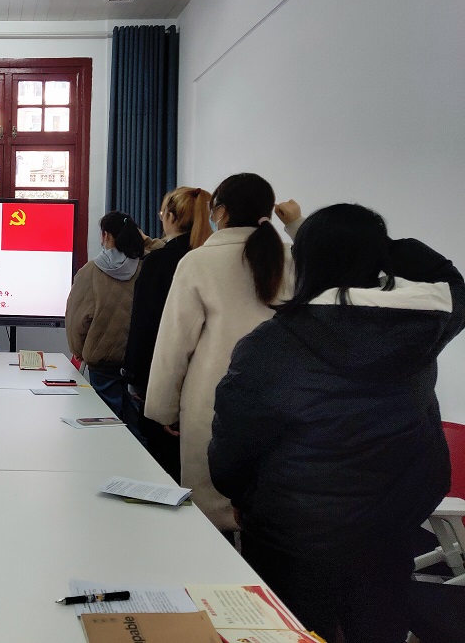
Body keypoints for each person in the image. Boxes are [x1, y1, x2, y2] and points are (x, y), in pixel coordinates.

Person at [209, 204, 463, 642]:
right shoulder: (421, 327)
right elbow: (450, 280)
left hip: (292, 533)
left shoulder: (271, 343)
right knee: (378, 626)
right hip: (390, 524)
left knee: (295, 630)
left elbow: (234, 446)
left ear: (303, 262)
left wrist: (239, 497)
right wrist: (382, 248)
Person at [144, 173, 298, 532]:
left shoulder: (198, 262)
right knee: (268, 504)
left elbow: (175, 343)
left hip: (211, 398)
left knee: (211, 510)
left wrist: (163, 407)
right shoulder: (289, 259)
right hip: (282, 396)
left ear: (221, 211)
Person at [122, 186, 212, 479]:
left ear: (171, 217)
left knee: (163, 468)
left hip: (163, 377)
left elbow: (145, 325)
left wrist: (134, 378)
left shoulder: (160, 262)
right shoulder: (210, 259)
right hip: (209, 380)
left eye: (163, 213)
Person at [65, 211, 161, 434]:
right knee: (135, 420)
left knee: (107, 421)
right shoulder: (147, 266)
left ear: (106, 235)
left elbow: (76, 319)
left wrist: (79, 350)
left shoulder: (91, 271)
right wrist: (145, 240)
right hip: (139, 360)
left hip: (102, 359)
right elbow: (166, 249)